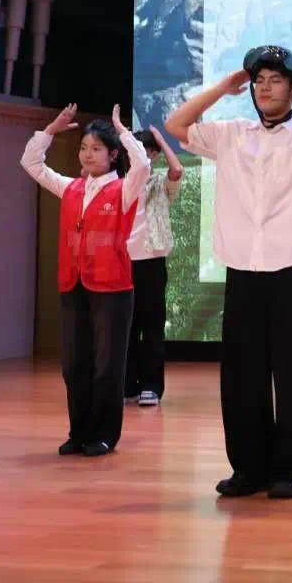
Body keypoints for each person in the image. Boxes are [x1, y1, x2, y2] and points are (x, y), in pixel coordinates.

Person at [164, 45, 292, 498]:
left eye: (276, 80)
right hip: (243, 270)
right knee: (241, 376)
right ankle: (248, 469)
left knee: (290, 376)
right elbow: (176, 126)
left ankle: (289, 471)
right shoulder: (232, 133)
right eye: (258, 81)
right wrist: (223, 86)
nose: (264, 88)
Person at [20, 103, 149, 457]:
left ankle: (104, 435)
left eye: (96, 149)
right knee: (74, 365)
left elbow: (143, 165)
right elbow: (31, 163)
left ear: (113, 155)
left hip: (112, 287)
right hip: (73, 285)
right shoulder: (71, 187)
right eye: (83, 148)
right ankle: (78, 432)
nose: (88, 154)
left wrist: (122, 131)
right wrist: (50, 130)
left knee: (107, 366)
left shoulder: (123, 189)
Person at [124, 125, 183, 407]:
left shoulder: (159, 182)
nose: (138, 156)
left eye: (145, 151)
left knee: (152, 326)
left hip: (151, 262)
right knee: (127, 326)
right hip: (124, 260)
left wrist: (160, 139)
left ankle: (151, 386)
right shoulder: (121, 183)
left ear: (153, 154)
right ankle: (127, 384)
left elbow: (177, 170)